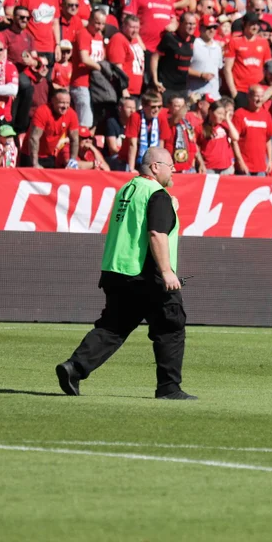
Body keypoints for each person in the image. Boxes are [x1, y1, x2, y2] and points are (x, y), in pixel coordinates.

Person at [57, 146, 195, 401]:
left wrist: (168, 203)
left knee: (113, 328)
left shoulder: (127, 189)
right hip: (147, 274)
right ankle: (169, 388)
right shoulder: (157, 194)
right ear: (155, 167)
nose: (174, 169)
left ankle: (74, 368)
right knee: (170, 326)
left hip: (117, 270)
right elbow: (156, 234)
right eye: (169, 165)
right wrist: (167, 272)